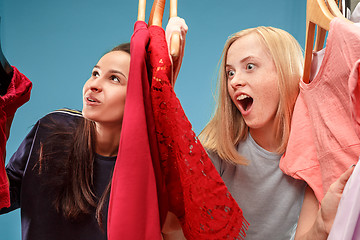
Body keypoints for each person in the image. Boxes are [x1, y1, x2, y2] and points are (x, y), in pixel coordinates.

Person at [0, 17, 188, 239]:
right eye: (95, 73)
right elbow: (5, 196)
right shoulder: (52, 129)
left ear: (142, 98)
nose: (94, 84)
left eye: (115, 79)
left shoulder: (153, 171)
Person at [195, 26, 354, 239]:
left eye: (249, 66)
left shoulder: (314, 156)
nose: (234, 81)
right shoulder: (215, 153)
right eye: (230, 73)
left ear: (285, 71)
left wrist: (322, 226)